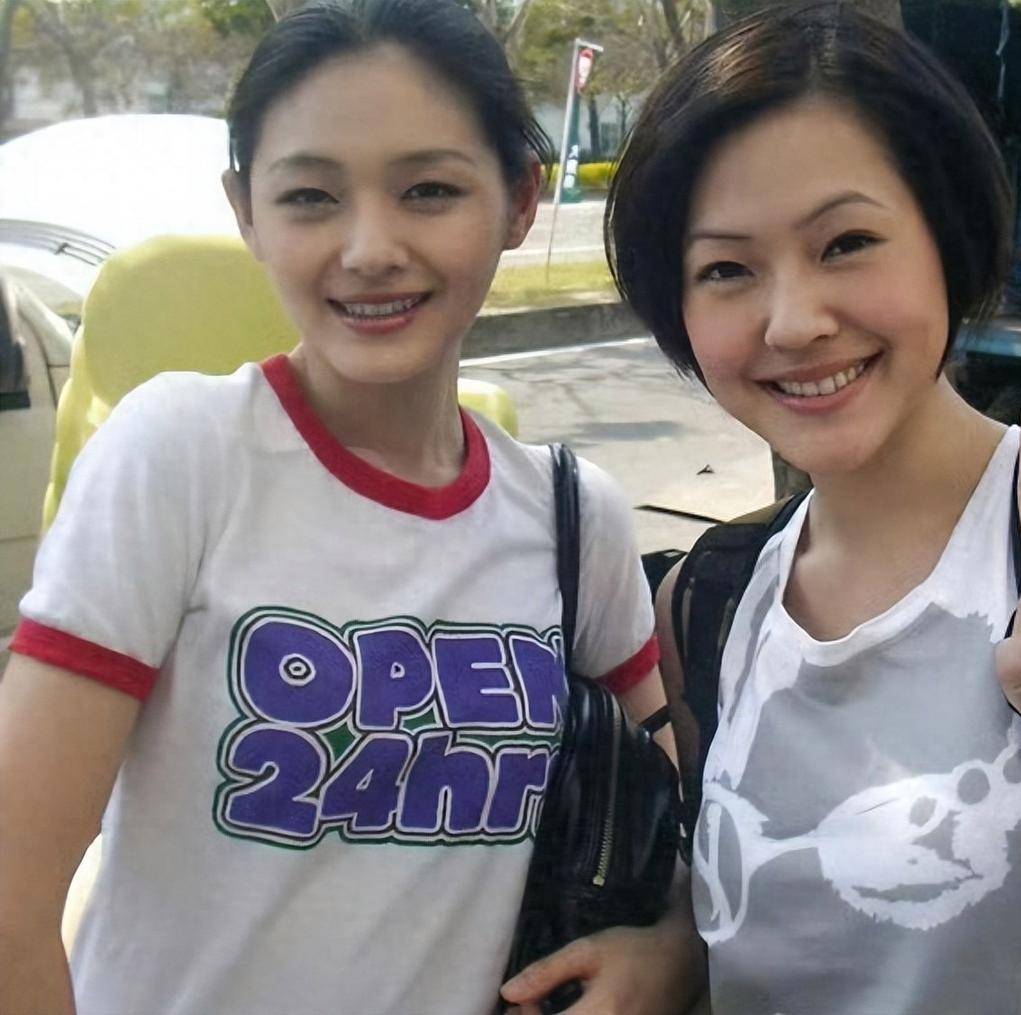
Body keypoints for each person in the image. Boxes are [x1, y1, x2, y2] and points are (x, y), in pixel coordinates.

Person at [0, 1, 702, 1012]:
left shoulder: (570, 516)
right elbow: (14, 899)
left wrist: (675, 950)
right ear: (246, 210)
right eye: (311, 197)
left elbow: (673, 827)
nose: (370, 247)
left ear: (518, 200)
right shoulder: (181, 458)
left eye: (429, 190)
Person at [606, 2, 1021, 1012]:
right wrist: (670, 949)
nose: (794, 321)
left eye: (847, 242)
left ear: (946, 236)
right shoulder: (711, 599)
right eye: (726, 269)